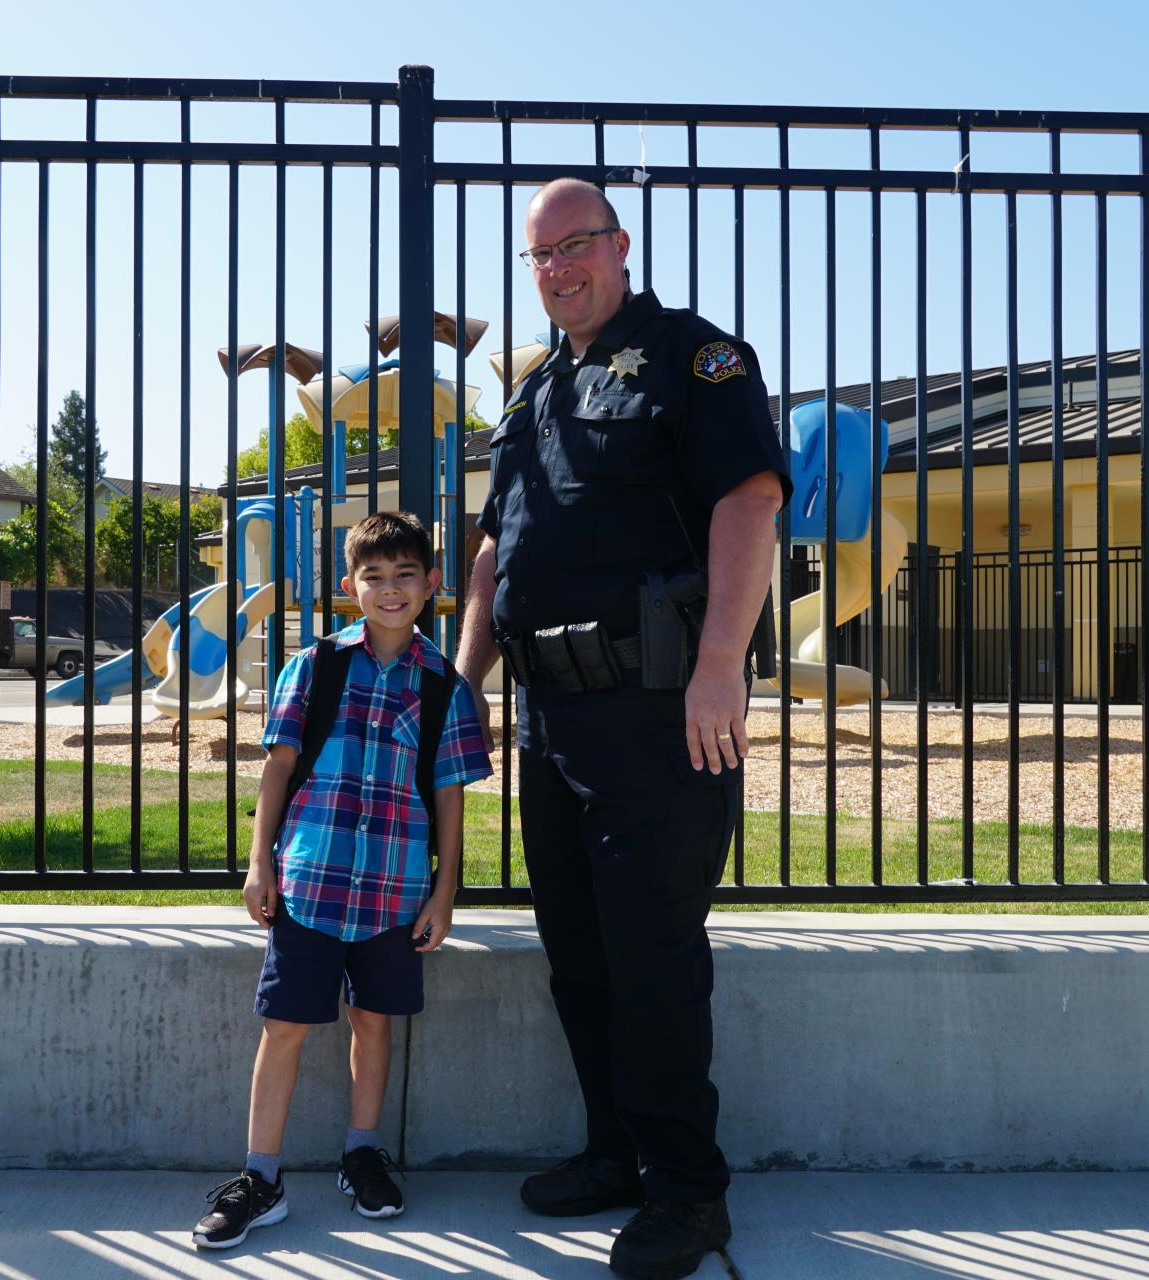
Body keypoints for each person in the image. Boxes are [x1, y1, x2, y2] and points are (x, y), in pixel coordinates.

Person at [454, 177, 788, 1280]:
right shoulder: (536, 389)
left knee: (651, 959)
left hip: (657, 715)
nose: (557, 269)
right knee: (582, 961)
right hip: (551, 717)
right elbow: (497, 551)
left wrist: (718, 668)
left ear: (620, 244)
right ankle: (616, 1152)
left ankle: (690, 1193)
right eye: (539, 256)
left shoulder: (698, 361)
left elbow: (749, 502)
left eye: (576, 245)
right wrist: (464, 688)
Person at [192, 511, 494, 1251]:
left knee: (373, 1022)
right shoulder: (316, 666)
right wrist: (260, 863)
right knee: (286, 1025)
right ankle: (260, 1178)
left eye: (404, 576)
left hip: (394, 892)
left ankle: (362, 1154)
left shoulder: (444, 688)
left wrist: (445, 890)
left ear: (431, 585)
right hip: (310, 884)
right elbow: (279, 768)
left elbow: (450, 795)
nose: (389, 590)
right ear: (348, 586)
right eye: (374, 577)